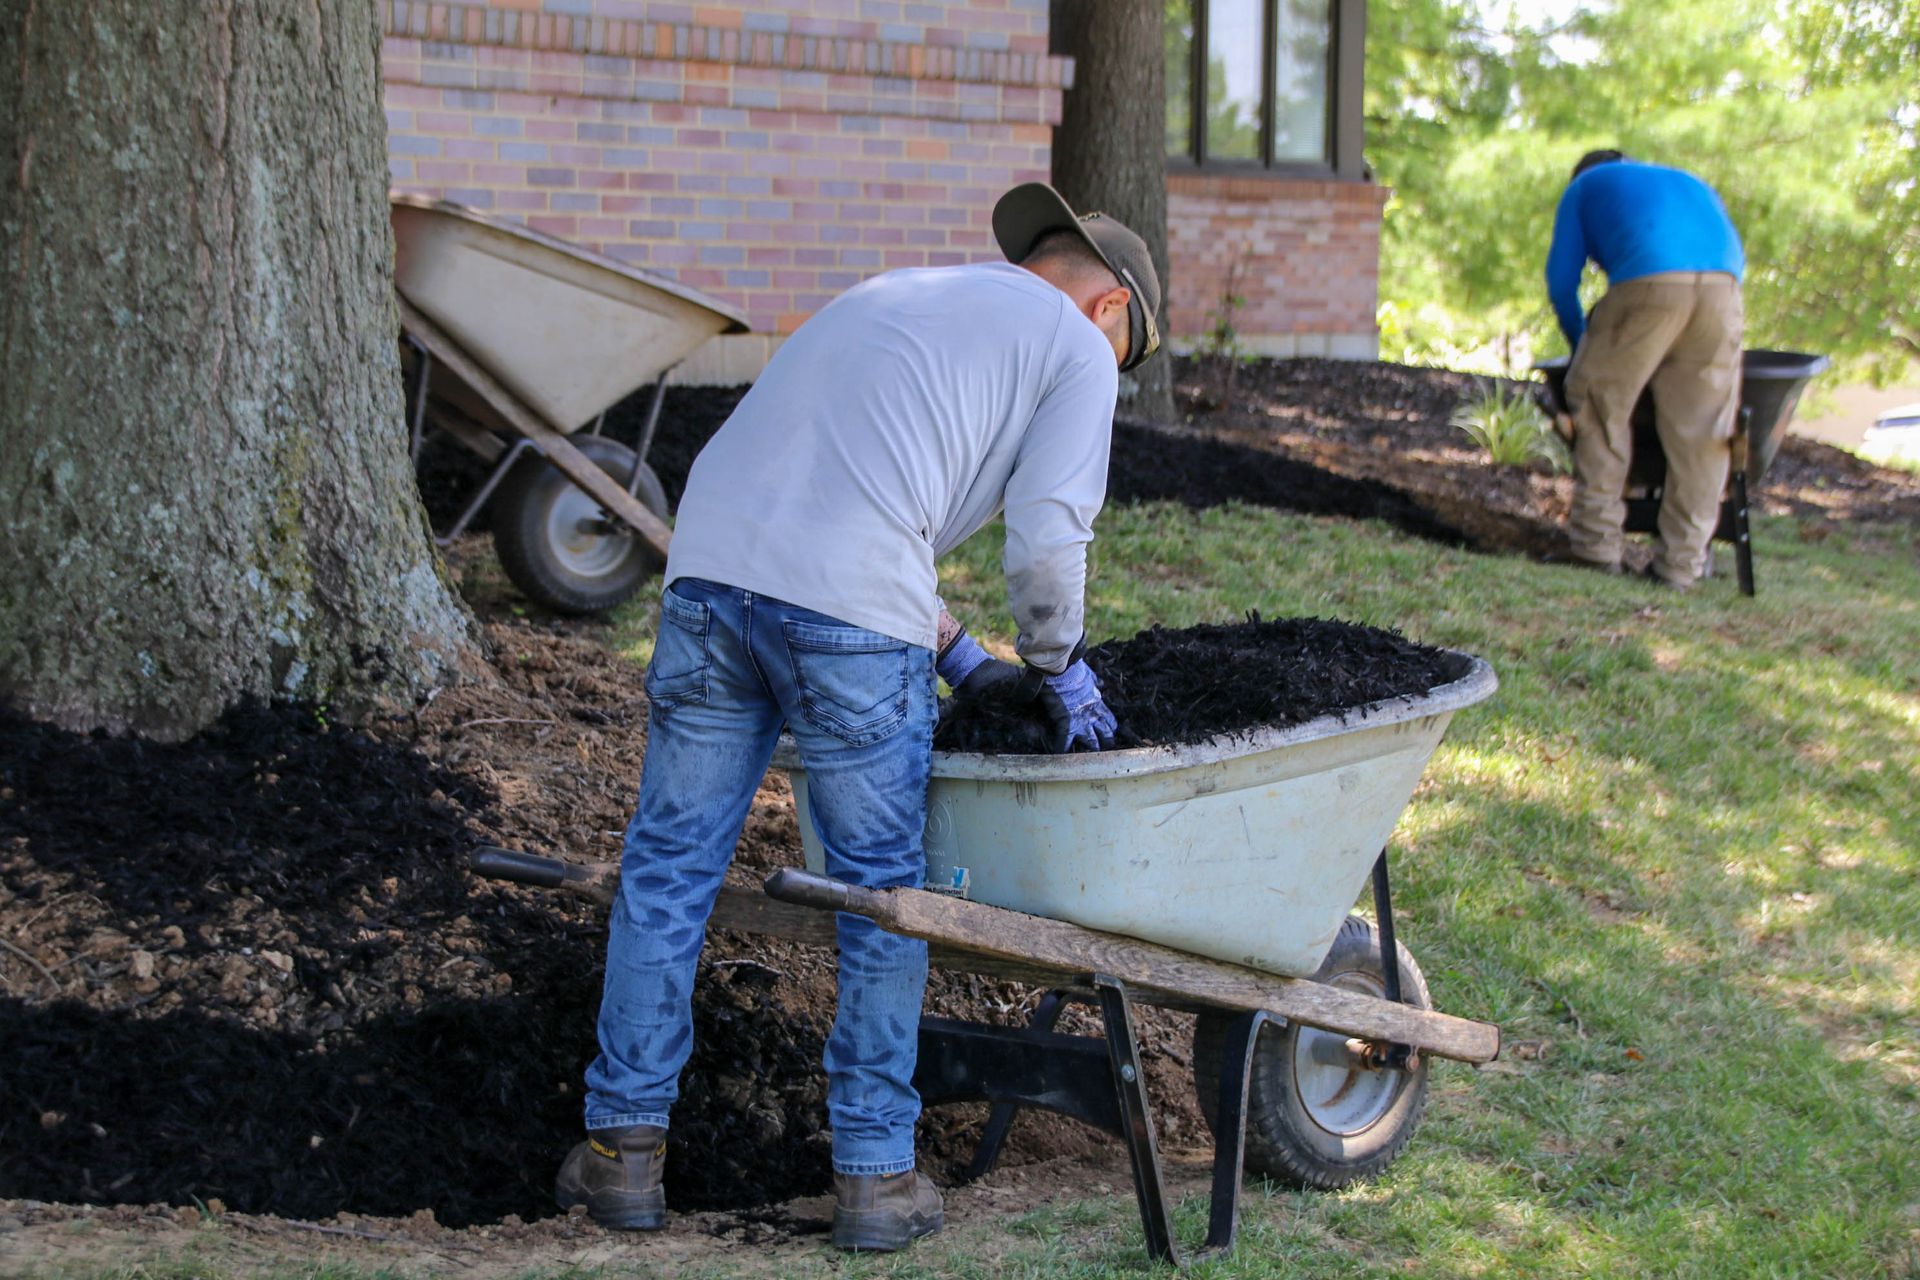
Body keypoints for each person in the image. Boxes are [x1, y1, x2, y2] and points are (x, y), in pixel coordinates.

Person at [554, 183, 1163, 1251]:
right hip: (841, 614)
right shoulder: (1072, 349)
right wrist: (1058, 665)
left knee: (666, 869)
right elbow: (1047, 540)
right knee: (880, 893)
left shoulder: (897, 295)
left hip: (707, 576)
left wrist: (955, 651)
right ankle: (877, 1175)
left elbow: (838, 488)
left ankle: (619, 1152)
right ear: (1109, 306)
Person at [1546, 149, 1745, 589]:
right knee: (1704, 433)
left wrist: (1584, 346)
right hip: (1724, 291)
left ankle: (1595, 549)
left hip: (1648, 284)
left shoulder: (1584, 187)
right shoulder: (1688, 181)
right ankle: (1681, 566)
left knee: (1600, 408)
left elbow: (1562, 283)